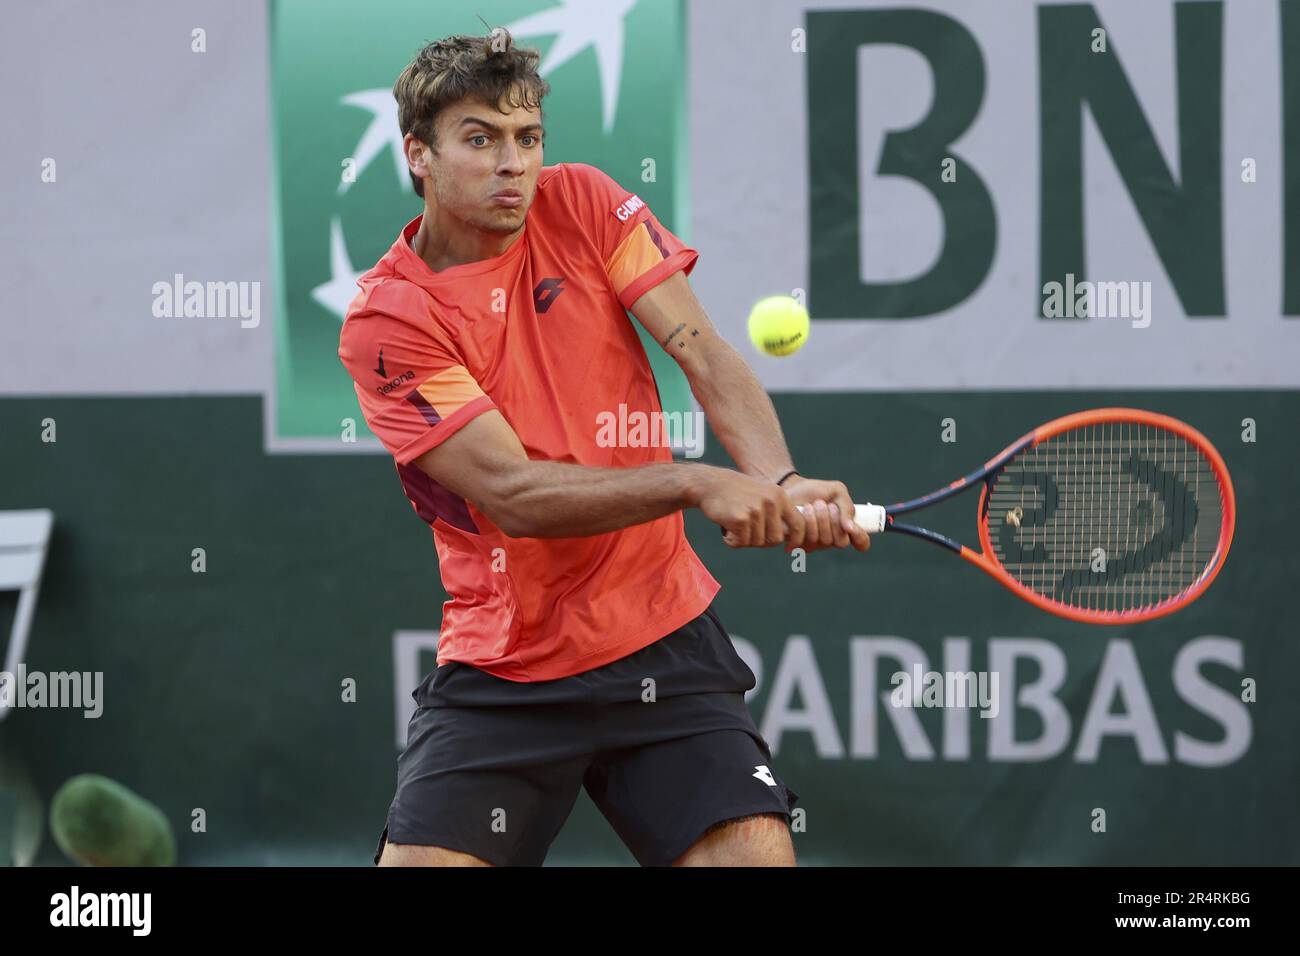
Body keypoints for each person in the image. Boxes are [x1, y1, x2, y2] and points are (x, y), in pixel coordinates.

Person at [338, 29, 871, 868]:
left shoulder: (583, 203)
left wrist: (780, 477)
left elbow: (700, 349)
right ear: (420, 156)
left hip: (660, 633)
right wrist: (699, 483)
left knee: (753, 860)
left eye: (528, 138)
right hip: (507, 667)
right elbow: (514, 494)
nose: (514, 164)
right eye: (480, 139)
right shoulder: (389, 321)